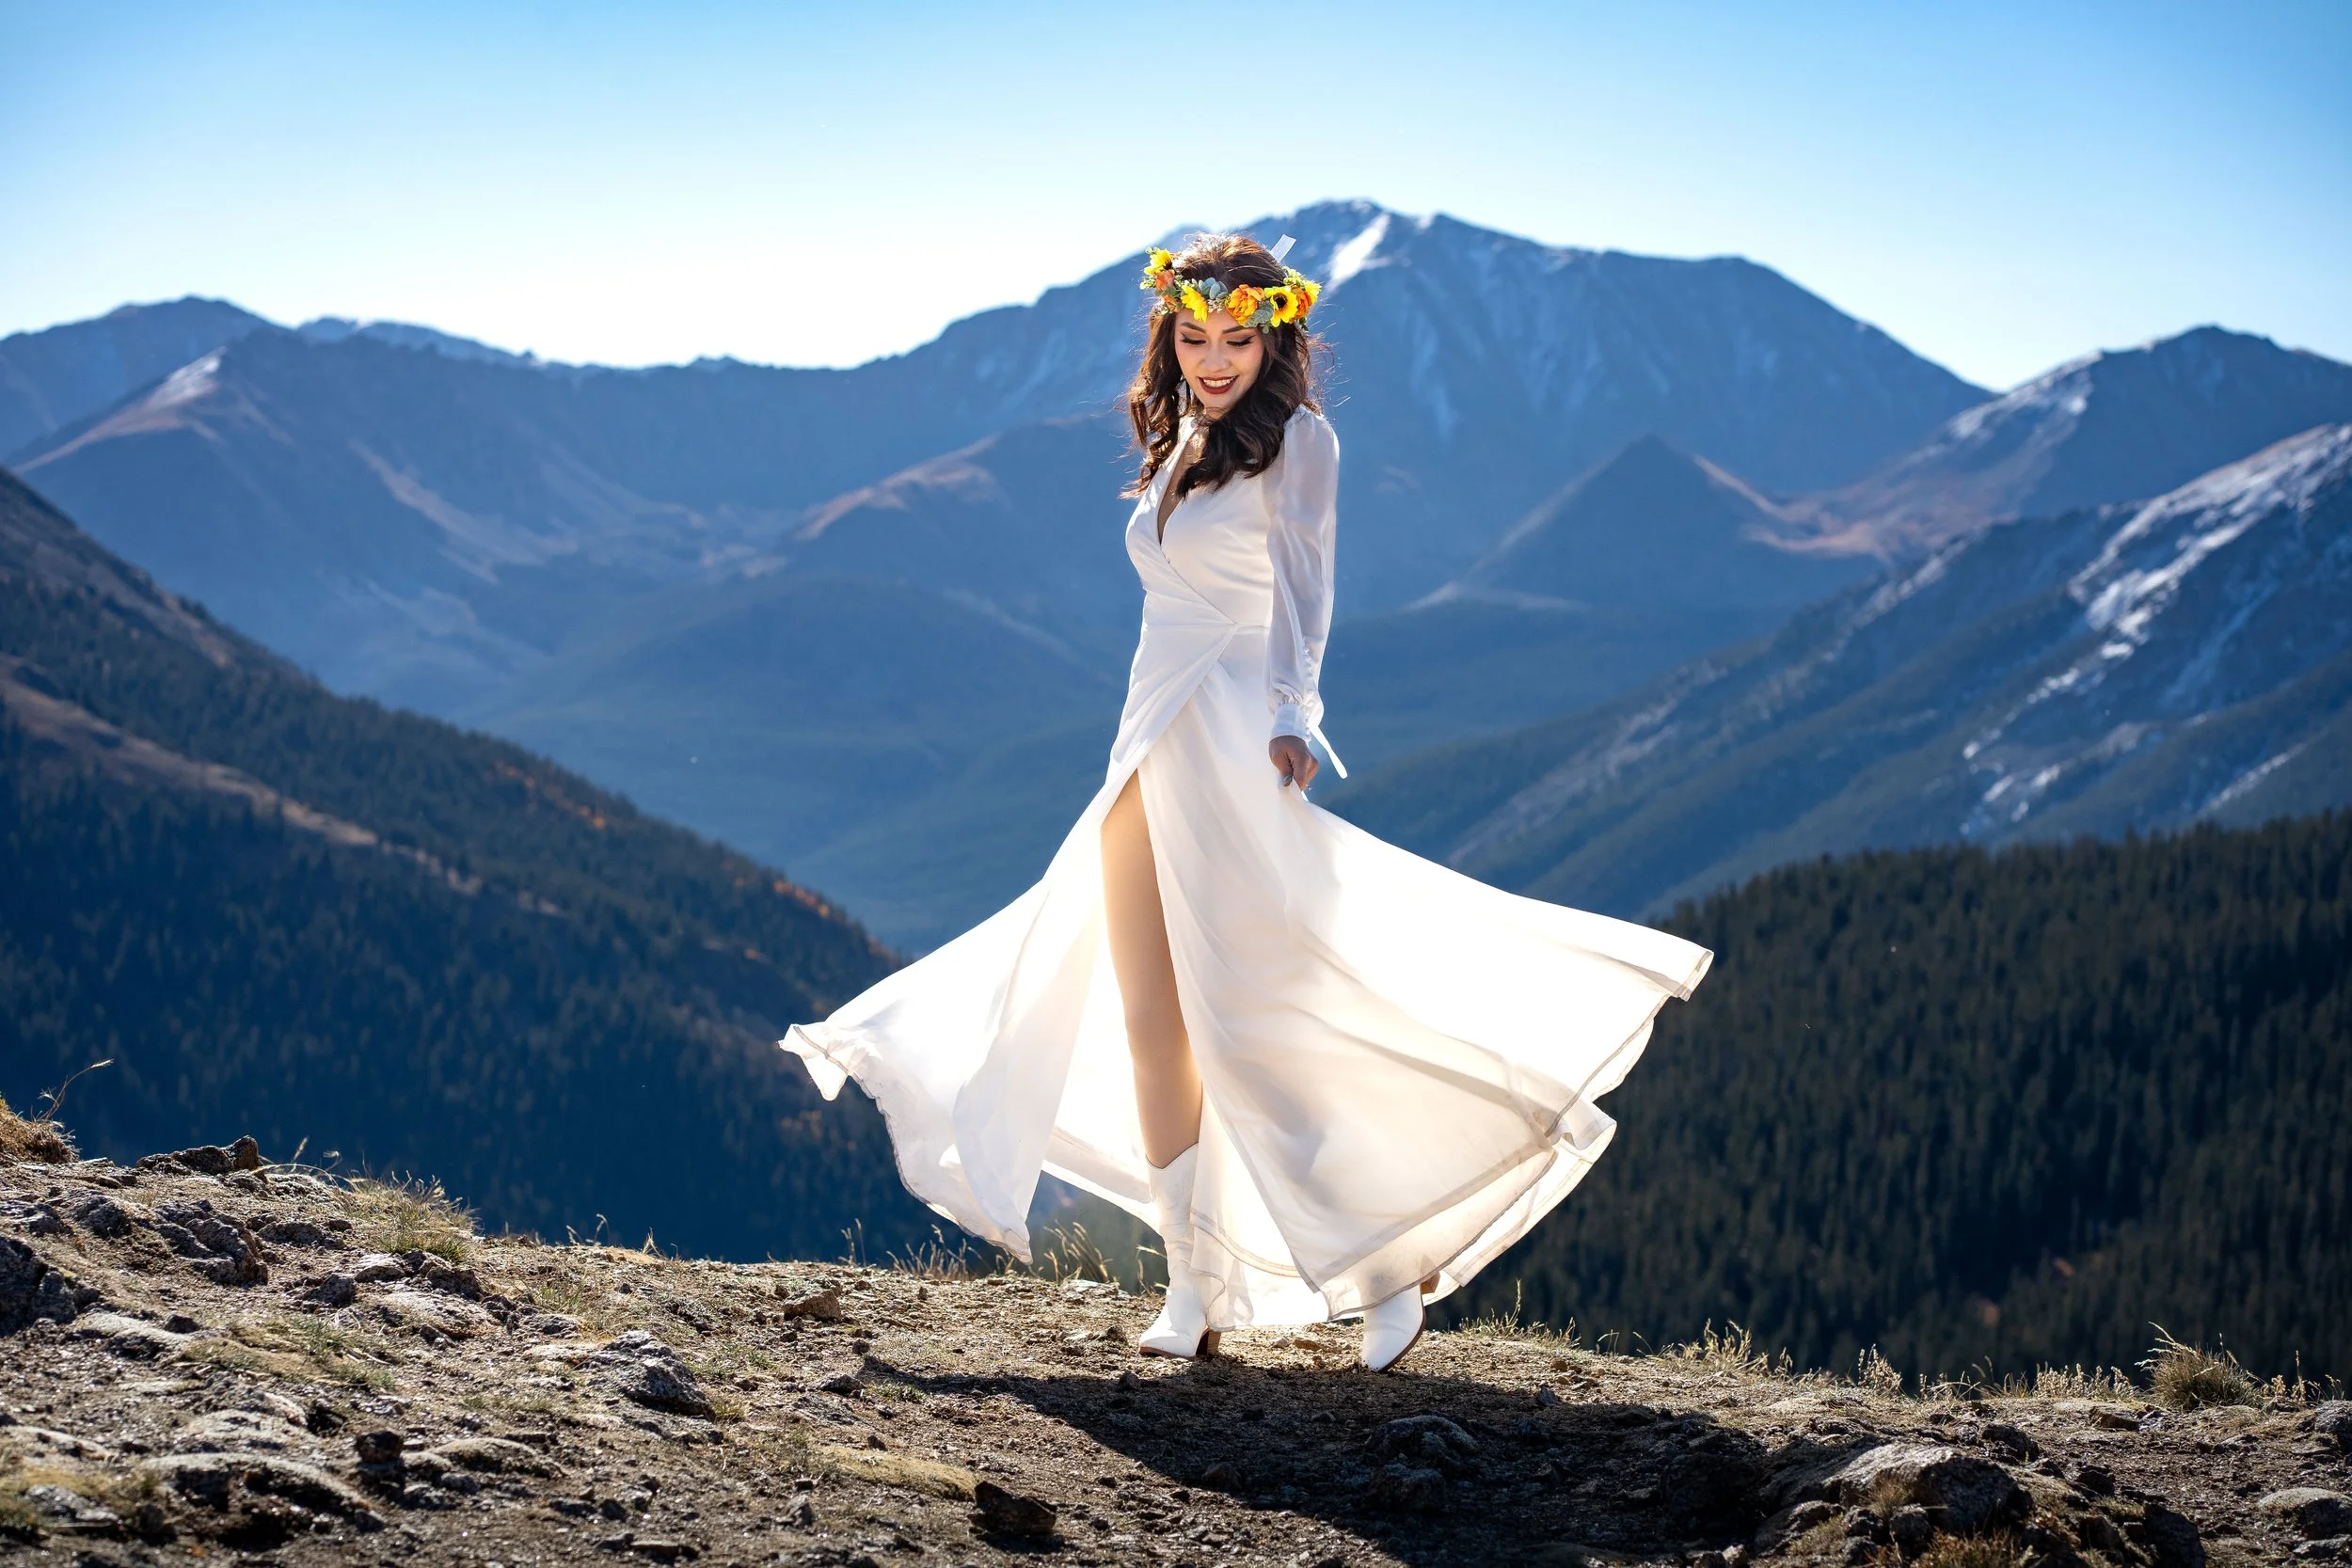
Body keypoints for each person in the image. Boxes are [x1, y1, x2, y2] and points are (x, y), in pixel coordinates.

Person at [784, 231, 1712, 1371]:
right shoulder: (1175, 436)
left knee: (1256, 1014)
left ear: (1274, 338)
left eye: (1235, 338)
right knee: (1150, 1020)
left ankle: (1383, 1267)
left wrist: (1291, 710)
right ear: (1168, 336)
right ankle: (1194, 1281)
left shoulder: (1302, 440)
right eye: (1193, 336)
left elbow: (1306, 585)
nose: (1213, 358)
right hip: (1145, 735)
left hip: (1232, 734)